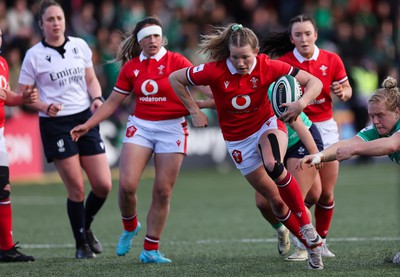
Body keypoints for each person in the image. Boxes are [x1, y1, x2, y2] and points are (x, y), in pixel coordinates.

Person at [169, 23, 326, 270]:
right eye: (235, 57)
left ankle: (307, 228)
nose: (241, 63)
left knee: (274, 165)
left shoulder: (268, 66)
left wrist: (301, 103)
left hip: (267, 126)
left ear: (257, 52)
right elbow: (175, 78)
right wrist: (194, 110)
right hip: (238, 141)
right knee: (274, 203)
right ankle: (310, 243)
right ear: (228, 54)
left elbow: (314, 81)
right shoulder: (214, 71)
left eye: (246, 57)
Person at [70, 16, 210, 264]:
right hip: (141, 127)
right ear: (139, 41)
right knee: (126, 186)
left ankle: (150, 249)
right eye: (147, 37)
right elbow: (112, 102)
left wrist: (229, 94)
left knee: (162, 191)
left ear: (162, 37)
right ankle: (130, 226)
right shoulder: (132, 67)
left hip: (172, 129)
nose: (152, 40)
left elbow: (205, 87)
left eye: (156, 35)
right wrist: (88, 124)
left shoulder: (177, 61)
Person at [17, 0, 112, 259]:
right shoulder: (33, 55)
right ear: (41, 24)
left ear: (65, 21)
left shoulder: (79, 46)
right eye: (50, 19)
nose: (56, 23)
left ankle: (87, 224)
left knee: (103, 185)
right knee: (77, 189)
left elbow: (91, 79)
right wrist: (44, 105)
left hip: (85, 119)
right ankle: (80, 243)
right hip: (56, 125)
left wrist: (96, 98)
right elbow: (23, 95)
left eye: (59, 18)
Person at [262, 14, 353, 260]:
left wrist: (342, 92)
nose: (304, 38)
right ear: (291, 38)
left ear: (316, 35)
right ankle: (303, 242)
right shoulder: (285, 63)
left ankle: (320, 241)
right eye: (298, 34)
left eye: (308, 33)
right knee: (301, 193)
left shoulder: (331, 59)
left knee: (325, 193)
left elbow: (347, 89)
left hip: (325, 127)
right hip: (296, 129)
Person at [297, 75, 400, 264]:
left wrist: (354, 150)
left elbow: (391, 145)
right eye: (372, 116)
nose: (375, 121)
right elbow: (346, 143)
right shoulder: (376, 130)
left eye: (380, 115)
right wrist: (319, 156)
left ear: (397, 112)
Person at [254, 83, 324, 257]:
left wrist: (315, 153)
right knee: (263, 204)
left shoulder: (270, 91)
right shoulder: (237, 93)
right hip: (273, 148)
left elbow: (296, 122)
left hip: (298, 141)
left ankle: (305, 245)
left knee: (293, 201)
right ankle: (281, 230)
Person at [0, 27, 37, 262]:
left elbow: (6, 95)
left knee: (3, 190)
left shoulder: (2, 63)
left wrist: (22, 98)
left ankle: (6, 248)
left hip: (0, 134)